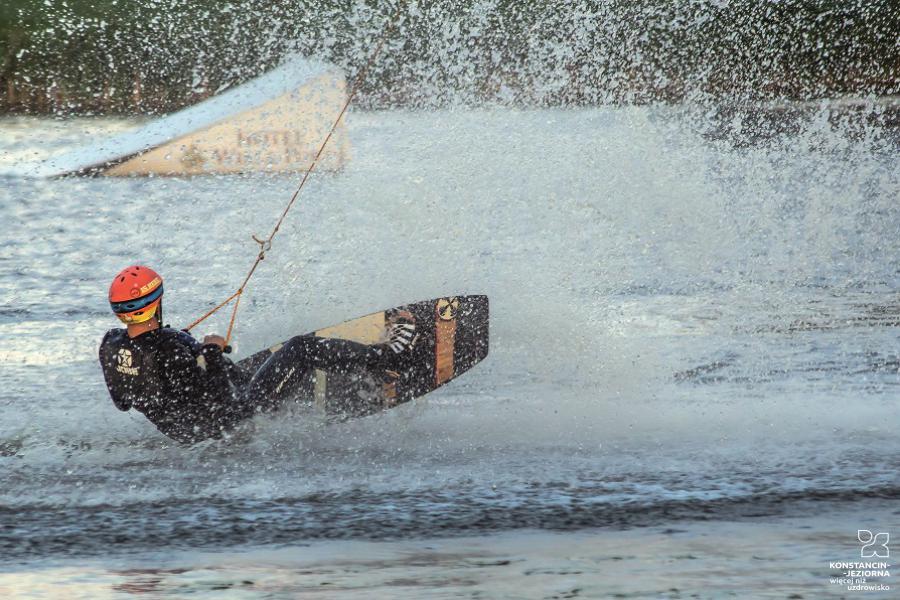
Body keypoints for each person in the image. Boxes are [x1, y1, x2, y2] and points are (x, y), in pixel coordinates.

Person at [99, 265, 415, 444]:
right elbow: (218, 401)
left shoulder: (110, 345)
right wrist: (210, 354)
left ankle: (302, 387)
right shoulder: (172, 349)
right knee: (300, 347)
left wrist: (195, 354)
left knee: (242, 367)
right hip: (226, 423)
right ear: (156, 302)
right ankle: (386, 357)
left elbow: (123, 402)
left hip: (180, 432)